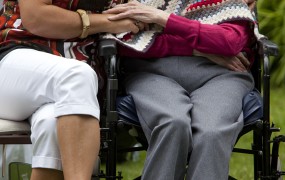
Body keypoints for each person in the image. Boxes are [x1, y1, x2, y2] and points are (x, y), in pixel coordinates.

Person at [103, 0, 257, 179]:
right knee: (172, 122)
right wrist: (198, 49)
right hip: (152, 73)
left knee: (211, 132)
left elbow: (229, 42)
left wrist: (162, 18)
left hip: (223, 75)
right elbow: (125, 41)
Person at [0, 0, 144, 179]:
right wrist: (106, 22)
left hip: (74, 84)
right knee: (77, 76)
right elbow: (36, 17)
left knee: (52, 124)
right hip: (13, 62)